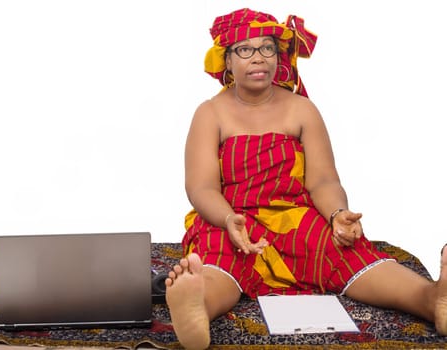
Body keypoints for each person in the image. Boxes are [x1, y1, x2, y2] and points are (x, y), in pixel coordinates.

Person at [164, 7, 447, 350]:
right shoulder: (210, 112)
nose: (258, 58)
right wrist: (227, 219)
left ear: (278, 56)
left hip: (295, 217)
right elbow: (201, 187)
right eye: (246, 49)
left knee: (348, 251)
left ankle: (431, 299)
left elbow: (323, 181)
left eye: (267, 48)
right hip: (231, 219)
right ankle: (197, 307)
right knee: (220, 262)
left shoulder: (302, 109)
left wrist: (336, 215)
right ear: (226, 60)